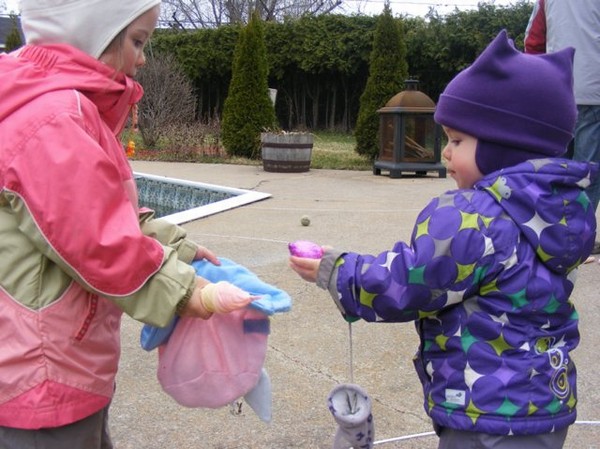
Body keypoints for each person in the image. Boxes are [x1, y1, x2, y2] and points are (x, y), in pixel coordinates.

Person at [290, 30, 597, 449]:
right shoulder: (563, 212)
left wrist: (339, 270)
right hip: (544, 405)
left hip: (484, 413)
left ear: (508, 148)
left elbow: (411, 281)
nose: (446, 153)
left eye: (457, 140)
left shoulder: (472, 216)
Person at [0, 1, 253, 448]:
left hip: (61, 361)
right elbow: (97, 240)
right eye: (137, 41)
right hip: (41, 376)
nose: (143, 58)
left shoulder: (69, 111)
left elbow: (105, 208)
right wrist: (185, 293)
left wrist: (175, 247)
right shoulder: (51, 121)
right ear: (91, 33)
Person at [524, 0, 600, 253]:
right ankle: (577, 240)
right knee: (587, 170)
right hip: (595, 91)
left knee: (555, 167)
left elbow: (533, 41)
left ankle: (549, 235)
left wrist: (540, 82)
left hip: (559, 89)